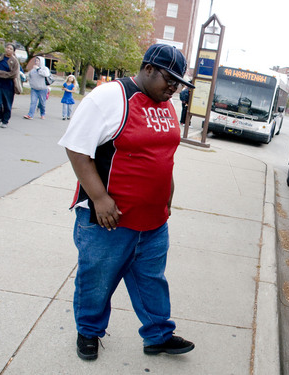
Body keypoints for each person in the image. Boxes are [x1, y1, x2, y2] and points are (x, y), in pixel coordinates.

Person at [58, 43, 196, 361]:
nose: (174, 88)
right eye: (169, 79)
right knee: (97, 280)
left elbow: (163, 154)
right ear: (148, 69)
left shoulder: (165, 104)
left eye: (179, 82)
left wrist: (167, 195)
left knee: (151, 280)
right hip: (111, 220)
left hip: (153, 219)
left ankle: (158, 335)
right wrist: (100, 198)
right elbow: (77, 148)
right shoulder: (110, 97)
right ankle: (89, 333)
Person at [0, 43, 20, 128]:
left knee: (7, 104)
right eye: (7, 48)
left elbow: (13, 74)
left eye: (10, 49)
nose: (8, 49)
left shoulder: (15, 61)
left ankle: (5, 121)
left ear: (13, 51)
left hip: (8, 85)